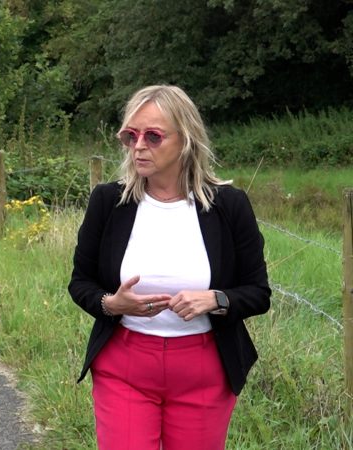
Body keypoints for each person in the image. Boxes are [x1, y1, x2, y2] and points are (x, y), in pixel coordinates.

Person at [68, 85, 271, 450]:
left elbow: (258, 293)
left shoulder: (229, 206)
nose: (138, 145)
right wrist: (111, 305)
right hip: (124, 367)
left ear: (186, 139)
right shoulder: (108, 202)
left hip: (205, 370)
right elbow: (80, 282)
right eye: (130, 135)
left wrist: (216, 299)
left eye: (153, 136)